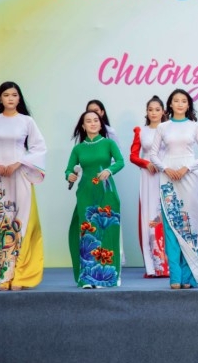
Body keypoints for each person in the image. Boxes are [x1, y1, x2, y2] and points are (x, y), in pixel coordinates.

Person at [149, 89, 198, 289]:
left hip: (190, 178)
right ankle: (175, 276)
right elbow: (154, 155)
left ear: (188, 105)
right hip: (168, 179)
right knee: (172, 227)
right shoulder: (163, 127)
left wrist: (187, 167)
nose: (180, 103)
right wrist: (165, 168)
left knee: (189, 227)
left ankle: (190, 276)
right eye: (176, 100)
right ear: (170, 105)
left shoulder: (195, 126)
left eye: (184, 101)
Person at [65, 110, 124, 288]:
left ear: (101, 124)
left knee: (107, 232)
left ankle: (108, 276)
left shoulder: (108, 143)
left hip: (107, 192)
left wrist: (109, 170)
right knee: (88, 233)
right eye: (88, 121)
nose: (92, 123)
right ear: (83, 126)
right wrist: (69, 176)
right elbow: (68, 170)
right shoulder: (78, 148)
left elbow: (120, 161)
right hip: (85, 193)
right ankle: (87, 278)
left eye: (96, 120)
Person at [0, 82, 46, 291]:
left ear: (19, 98)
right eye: (6, 95)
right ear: (0, 98)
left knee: (21, 221)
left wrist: (19, 163)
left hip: (21, 174)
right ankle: (3, 275)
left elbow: (39, 147)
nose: (10, 98)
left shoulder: (27, 121)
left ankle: (21, 274)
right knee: (2, 221)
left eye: (14, 95)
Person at [129, 95, 169, 278]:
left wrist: (163, 165)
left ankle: (168, 263)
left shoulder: (169, 130)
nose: (153, 113)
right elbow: (133, 155)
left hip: (166, 176)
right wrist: (146, 164)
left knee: (165, 214)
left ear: (163, 111)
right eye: (150, 109)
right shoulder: (141, 131)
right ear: (147, 112)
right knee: (148, 216)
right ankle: (153, 266)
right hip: (148, 179)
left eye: (157, 109)